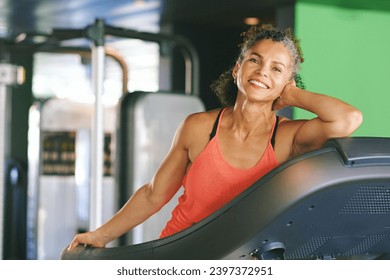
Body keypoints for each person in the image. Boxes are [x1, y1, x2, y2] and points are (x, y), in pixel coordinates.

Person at [67, 24, 363, 251]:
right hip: (180, 249)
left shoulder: (287, 138)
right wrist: (99, 236)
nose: (262, 72)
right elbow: (153, 194)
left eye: (276, 68)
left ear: (287, 82)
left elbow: (348, 118)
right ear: (237, 69)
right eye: (254, 61)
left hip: (242, 257)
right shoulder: (198, 127)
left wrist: (293, 93)